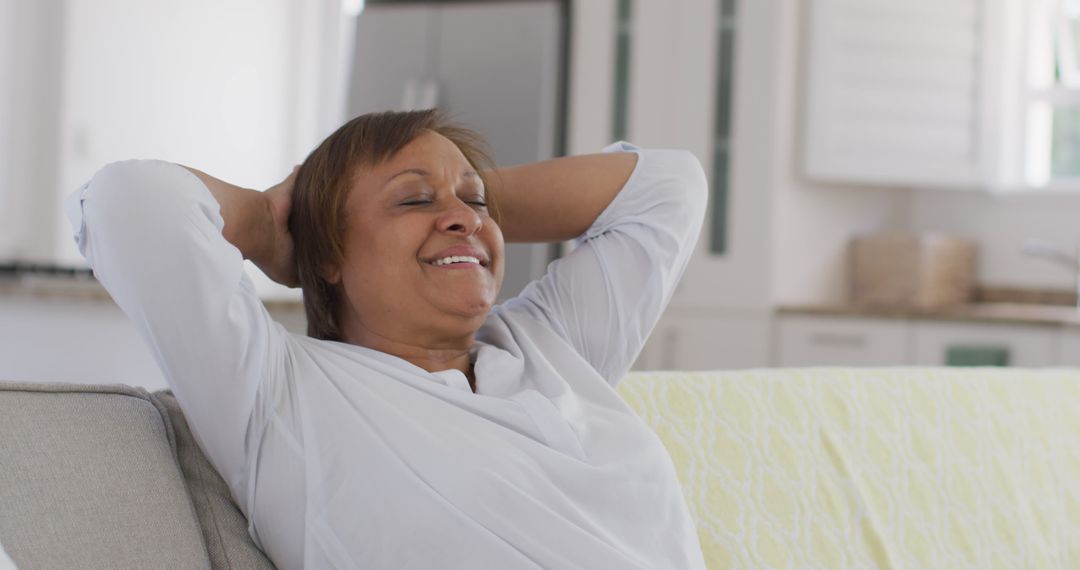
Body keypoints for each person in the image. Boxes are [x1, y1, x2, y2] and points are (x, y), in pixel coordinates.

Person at [65, 109, 708, 569]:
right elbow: (129, 200)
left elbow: (669, 187)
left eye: (476, 201)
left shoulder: (550, 348)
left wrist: (465, 204)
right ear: (328, 256)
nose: (462, 217)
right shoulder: (278, 394)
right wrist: (271, 222)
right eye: (410, 202)